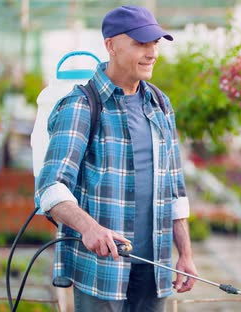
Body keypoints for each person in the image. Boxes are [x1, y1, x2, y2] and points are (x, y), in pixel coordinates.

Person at [35, 5, 197, 311]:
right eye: (140, 43)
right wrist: (89, 228)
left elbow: (175, 189)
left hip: (155, 267)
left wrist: (185, 253)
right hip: (102, 269)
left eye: (155, 44)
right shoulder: (82, 105)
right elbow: (51, 186)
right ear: (111, 45)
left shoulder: (160, 104)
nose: (151, 53)